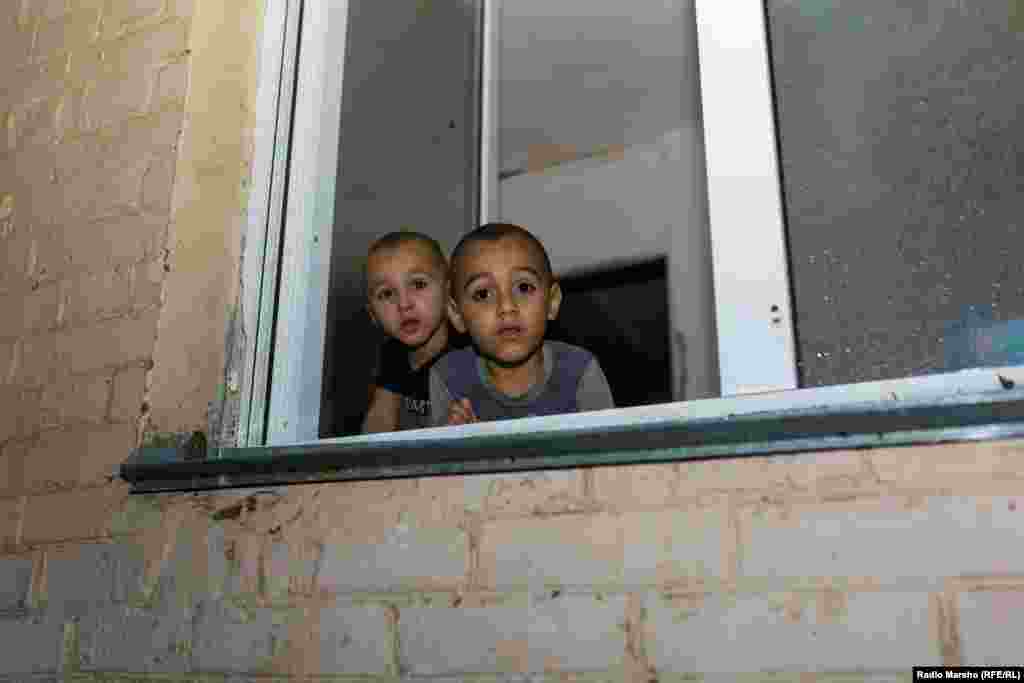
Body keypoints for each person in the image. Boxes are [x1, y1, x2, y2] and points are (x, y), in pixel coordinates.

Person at [429, 222, 614, 426]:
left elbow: (611, 445)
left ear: (552, 302)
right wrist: (453, 437)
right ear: (456, 315)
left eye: (524, 287)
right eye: (483, 294)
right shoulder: (449, 378)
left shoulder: (580, 372)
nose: (507, 306)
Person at [362, 231, 454, 432]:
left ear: (448, 291)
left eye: (418, 285)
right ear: (373, 315)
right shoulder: (393, 353)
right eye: (387, 293)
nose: (404, 304)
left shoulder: (469, 353)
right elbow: (378, 426)